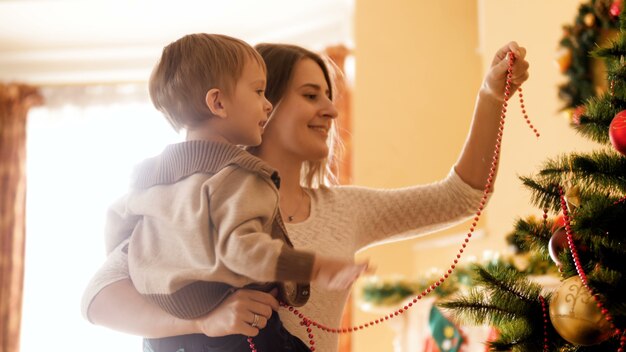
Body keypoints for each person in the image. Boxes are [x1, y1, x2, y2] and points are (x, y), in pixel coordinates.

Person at [81, 41, 529, 352]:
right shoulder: (190, 202)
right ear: (264, 104)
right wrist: (203, 321)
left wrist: (492, 95)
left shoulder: (345, 209)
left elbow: (462, 196)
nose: (332, 110)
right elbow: (99, 299)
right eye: (311, 95)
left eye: (329, 96)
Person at [102, 33, 368, 352]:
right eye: (258, 91)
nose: (266, 104)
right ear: (218, 103)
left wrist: (148, 265)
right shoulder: (240, 176)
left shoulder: (149, 177)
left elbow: (116, 223)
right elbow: (243, 251)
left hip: (164, 342)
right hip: (239, 338)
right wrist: (315, 267)